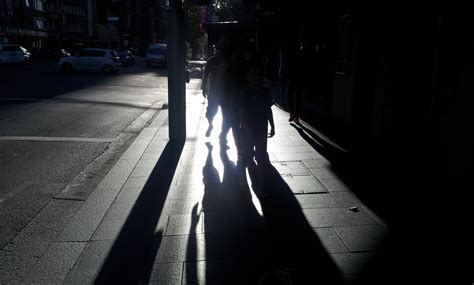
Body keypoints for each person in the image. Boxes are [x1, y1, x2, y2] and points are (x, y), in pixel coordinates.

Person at [239, 64, 275, 194]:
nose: (255, 78)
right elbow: (241, 113)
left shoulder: (265, 91)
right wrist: (245, 129)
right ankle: (241, 178)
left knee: (260, 157)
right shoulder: (245, 92)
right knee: (246, 155)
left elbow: (268, 110)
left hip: (261, 128)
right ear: (248, 77)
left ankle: (261, 187)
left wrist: (272, 125)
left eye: (258, 75)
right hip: (249, 129)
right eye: (252, 75)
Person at [201, 46, 222, 137]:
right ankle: (210, 123)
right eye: (216, 51)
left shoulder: (225, 61)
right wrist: (204, 87)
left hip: (224, 90)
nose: (217, 53)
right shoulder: (211, 61)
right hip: (212, 90)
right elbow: (205, 74)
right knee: (210, 110)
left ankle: (223, 131)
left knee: (223, 110)